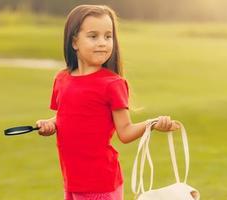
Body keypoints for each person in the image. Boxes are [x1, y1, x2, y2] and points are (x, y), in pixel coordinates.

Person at [34, 5, 179, 200]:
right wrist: (50, 124)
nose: (102, 43)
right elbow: (65, 116)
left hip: (100, 183)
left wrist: (152, 123)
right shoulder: (62, 79)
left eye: (108, 36)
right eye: (93, 36)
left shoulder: (112, 84)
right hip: (72, 180)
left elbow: (125, 132)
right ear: (75, 41)